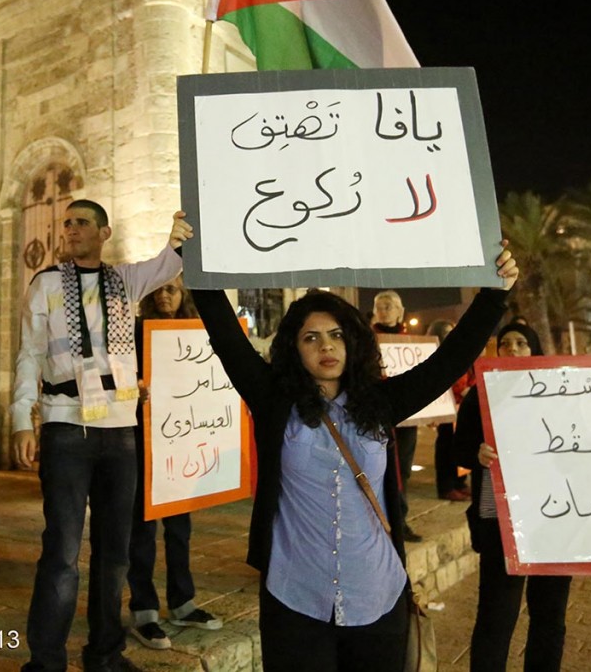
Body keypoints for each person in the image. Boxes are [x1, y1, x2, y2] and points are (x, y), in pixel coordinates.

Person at [192, 240, 518, 671]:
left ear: (353, 342)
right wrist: (193, 258)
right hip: (295, 598)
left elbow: (450, 360)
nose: (326, 347)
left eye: (336, 335)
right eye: (311, 338)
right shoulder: (274, 402)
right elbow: (227, 337)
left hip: (377, 598)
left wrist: (496, 294)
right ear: (294, 348)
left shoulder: (381, 403)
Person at [11, 202, 193, 672]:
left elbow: (166, 265)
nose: (70, 230)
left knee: (115, 552)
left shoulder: (124, 280)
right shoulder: (46, 283)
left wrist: (176, 235)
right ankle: (46, 661)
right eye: (66, 223)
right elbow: (29, 353)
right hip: (66, 424)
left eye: (81, 222)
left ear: (104, 232)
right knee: (63, 552)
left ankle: (106, 653)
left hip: (120, 429)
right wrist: (20, 418)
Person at [454, 322, 572, 672]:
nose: (514, 349)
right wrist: (476, 453)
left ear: (534, 349)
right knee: (496, 615)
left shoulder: (561, 391)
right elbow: (460, 451)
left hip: (556, 522)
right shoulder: (480, 394)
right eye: (506, 344)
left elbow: (589, 444)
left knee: (550, 614)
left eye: (522, 343)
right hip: (500, 522)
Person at [126, 276, 222, 650]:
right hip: (142, 444)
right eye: (159, 290)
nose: (165, 295)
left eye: (172, 289)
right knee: (143, 532)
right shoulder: (135, 332)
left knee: (180, 529)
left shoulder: (196, 336)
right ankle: (144, 611)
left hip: (180, 447)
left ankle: (183, 602)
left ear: (183, 296)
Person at [370, 290, 422, 542]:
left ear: (401, 311)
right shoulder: (367, 340)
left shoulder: (413, 342)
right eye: (380, 307)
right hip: (378, 416)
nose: (384, 311)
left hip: (407, 420)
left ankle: (400, 520)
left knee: (404, 470)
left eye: (389, 306)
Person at [426, 319, 471, 502]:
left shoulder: (458, 353)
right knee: (446, 447)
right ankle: (446, 486)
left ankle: (459, 482)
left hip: (460, 408)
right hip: (445, 409)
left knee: (460, 445)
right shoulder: (433, 357)